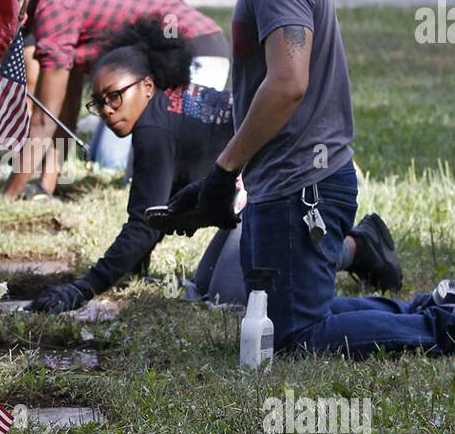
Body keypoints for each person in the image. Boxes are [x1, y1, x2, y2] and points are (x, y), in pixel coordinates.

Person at [153, 0, 454, 357]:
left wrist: (223, 173)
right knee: (289, 316)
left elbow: (288, 83)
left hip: (303, 187)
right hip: (291, 182)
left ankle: (441, 329)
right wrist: (217, 183)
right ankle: (432, 310)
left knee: (294, 337)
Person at [29, 20, 400, 313]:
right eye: (99, 103)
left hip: (296, 186)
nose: (108, 110)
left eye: (115, 96)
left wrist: (84, 287)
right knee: (205, 285)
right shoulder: (163, 109)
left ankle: (357, 247)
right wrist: (134, 266)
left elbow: (141, 223)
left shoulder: (153, 129)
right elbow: (158, 213)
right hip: (267, 190)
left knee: (232, 294)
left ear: (147, 86)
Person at [0, 0, 230, 200]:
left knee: (126, 166)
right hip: (174, 54)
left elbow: (44, 118)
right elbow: (64, 109)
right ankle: (47, 185)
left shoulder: (53, 9)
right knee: (105, 157)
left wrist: (8, 195)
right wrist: (47, 185)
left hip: (191, 50)